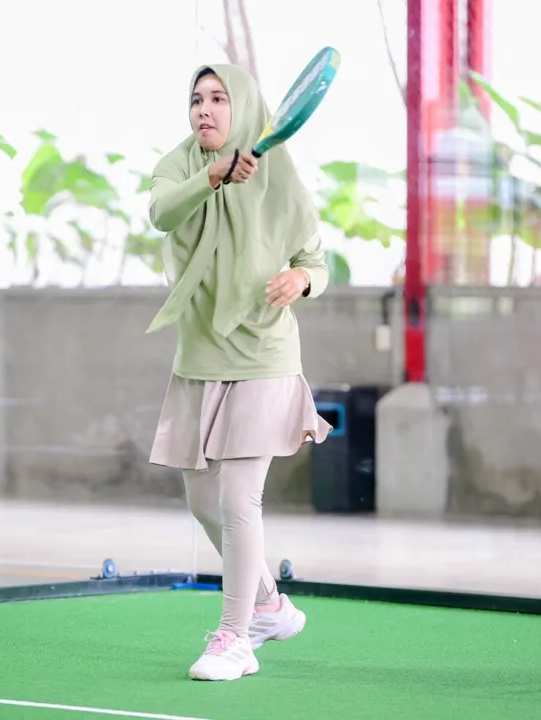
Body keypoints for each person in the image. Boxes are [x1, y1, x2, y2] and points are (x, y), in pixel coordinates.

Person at [145, 62, 332, 682]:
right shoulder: (177, 164)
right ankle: (271, 607)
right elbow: (161, 212)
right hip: (200, 357)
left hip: (264, 356)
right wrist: (213, 175)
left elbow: (315, 260)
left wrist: (301, 279)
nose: (204, 109)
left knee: (237, 497)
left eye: (219, 98)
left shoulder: (282, 176)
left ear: (243, 107)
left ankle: (235, 636)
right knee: (202, 500)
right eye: (196, 99)